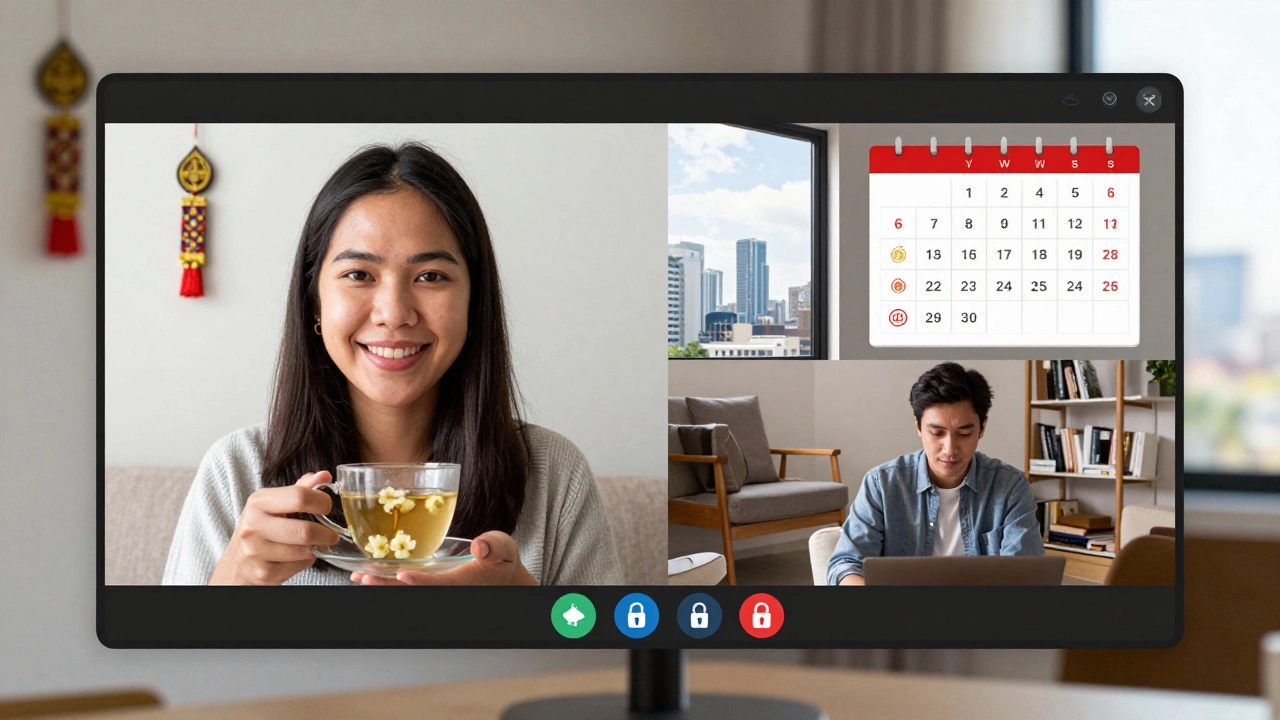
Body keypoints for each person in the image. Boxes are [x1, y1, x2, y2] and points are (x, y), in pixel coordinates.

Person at [162, 142, 622, 586]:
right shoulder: (235, 471)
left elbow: (612, 656)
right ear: (315, 304)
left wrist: (522, 610)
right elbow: (169, 664)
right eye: (358, 275)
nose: (394, 312)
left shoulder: (554, 473)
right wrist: (233, 586)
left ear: (473, 302)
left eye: (430, 276)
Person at [827, 362, 1043, 585]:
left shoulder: (1010, 487)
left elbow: (1024, 572)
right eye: (937, 433)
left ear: (982, 427)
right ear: (918, 427)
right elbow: (845, 564)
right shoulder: (882, 484)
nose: (950, 449)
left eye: (964, 433)